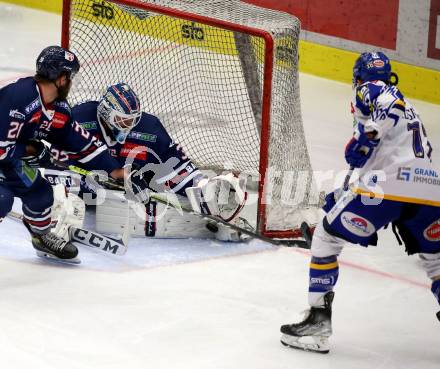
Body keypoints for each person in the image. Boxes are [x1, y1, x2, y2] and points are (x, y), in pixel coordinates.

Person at [280, 52, 440, 353]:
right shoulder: (411, 113)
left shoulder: (373, 89)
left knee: (327, 239)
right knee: (438, 261)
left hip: (389, 186)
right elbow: (369, 164)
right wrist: (339, 201)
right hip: (430, 191)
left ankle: (317, 323)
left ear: (357, 77)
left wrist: (368, 135)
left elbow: (389, 105)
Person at [47, 82, 247, 240]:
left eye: (132, 120)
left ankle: (219, 216)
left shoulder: (149, 129)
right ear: (106, 113)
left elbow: (174, 162)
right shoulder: (79, 120)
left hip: (125, 188)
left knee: (186, 187)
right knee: (63, 187)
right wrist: (96, 179)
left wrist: (200, 185)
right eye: (123, 121)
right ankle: (55, 222)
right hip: (83, 184)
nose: (128, 126)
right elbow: (57, 163)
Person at [0, 46, 128, 264]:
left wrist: (114, 170)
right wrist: (33, 150)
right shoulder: (18, 97)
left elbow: (78, 140)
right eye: (70, 76)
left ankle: (41, 238)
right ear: (61, 78)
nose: (71, 82)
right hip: (5, 156)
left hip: (9, 160)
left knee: (40, 193)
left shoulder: (57, 109)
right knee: (3, 198)